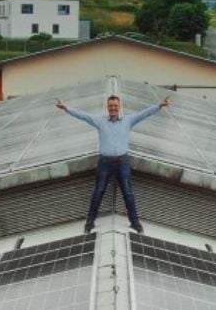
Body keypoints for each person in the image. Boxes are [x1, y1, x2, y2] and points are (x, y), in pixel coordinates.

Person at [57, 94, 170, 233]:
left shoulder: (128, 120)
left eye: (115, 106)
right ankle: (90, 222)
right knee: (98, 192)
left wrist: (159, 106)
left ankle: (135, 223)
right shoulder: (100, 121)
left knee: (128, 193)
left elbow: (144, 114)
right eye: (111, 106)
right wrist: (66, 108)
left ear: (119, 106)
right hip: (105, 163)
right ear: (107, 107)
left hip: (122, 162)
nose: (113, 108)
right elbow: (83, 115)